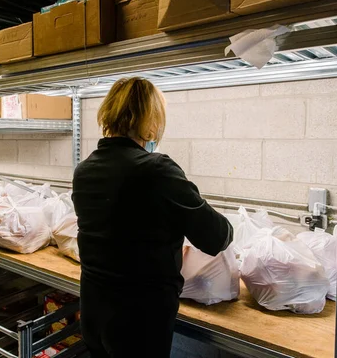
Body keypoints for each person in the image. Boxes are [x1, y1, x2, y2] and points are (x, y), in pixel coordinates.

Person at [72, 77, 233, 357]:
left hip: (94, 313)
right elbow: (216, 236)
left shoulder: (84, 169)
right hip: (139, 324)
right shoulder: (156, 169)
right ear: (151, 120)